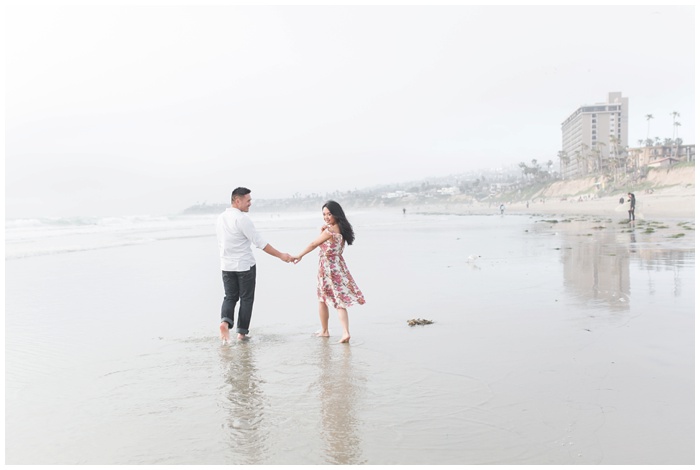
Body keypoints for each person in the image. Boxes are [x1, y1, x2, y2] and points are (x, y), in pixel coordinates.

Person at [216, 187, 294, 344]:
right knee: (246, 299)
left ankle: (225, 323)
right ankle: (241, 334)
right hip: (244, 266)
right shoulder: (242, 219)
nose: (250, 203)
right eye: (248, 200)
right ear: (237, 201)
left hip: (226, 265)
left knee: (230, 297)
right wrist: (281, 255)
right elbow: (260, 243)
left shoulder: (221, 218)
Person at [294, 200, 365, 343]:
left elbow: (314, 244)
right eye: (324, 214)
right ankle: (333, 331)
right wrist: (323, 232)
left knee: (326, 300)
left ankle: (334, 332)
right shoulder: (342, 228)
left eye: (329, 214)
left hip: (327, 268)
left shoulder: (331, 230)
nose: (326, 217)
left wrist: (299, 255)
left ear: (336, 214)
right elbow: (329, 246)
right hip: (337, 266)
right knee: (332, 300)